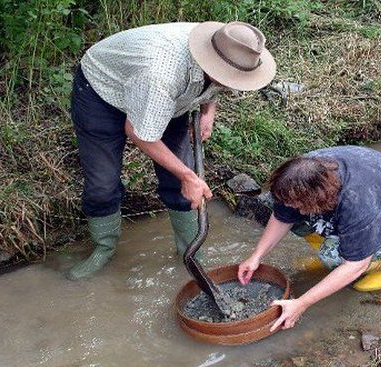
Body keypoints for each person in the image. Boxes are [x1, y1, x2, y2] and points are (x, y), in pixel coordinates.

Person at [68, 21, 276, 280]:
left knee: (180, 180)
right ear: (212, 62)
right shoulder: (161, 74)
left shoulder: (232, 45)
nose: (233, 83)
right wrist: (189, 176)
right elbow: (139, 133)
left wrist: (207, 111)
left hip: (169, 99)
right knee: (102, 183)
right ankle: (104, 247)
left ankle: (190, 251)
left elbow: (219, 81)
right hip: (103, 92)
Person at [237, 146, 381, 331]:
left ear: (319, 200)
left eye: (300, 205)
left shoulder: (359, 203)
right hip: (371, 201)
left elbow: (354, 265)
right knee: (297, 222)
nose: (293, 208)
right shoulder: (299, 175)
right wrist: (256, 256)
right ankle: (345, 247)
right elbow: (282, 216)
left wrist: (301, 303)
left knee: (334, 258)